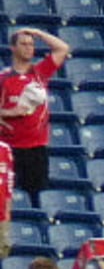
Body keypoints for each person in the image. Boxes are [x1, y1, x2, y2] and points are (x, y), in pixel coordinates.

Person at [0, 26, 71, 197]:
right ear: (13, 48)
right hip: (9, 148)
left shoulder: (40, 73)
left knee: (35, 195)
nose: (28, 48)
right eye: (23, 44)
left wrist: (38, 33)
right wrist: (11, 112)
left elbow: (63, 48)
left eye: (31, 44)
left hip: (36, 149)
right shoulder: (4, 78)